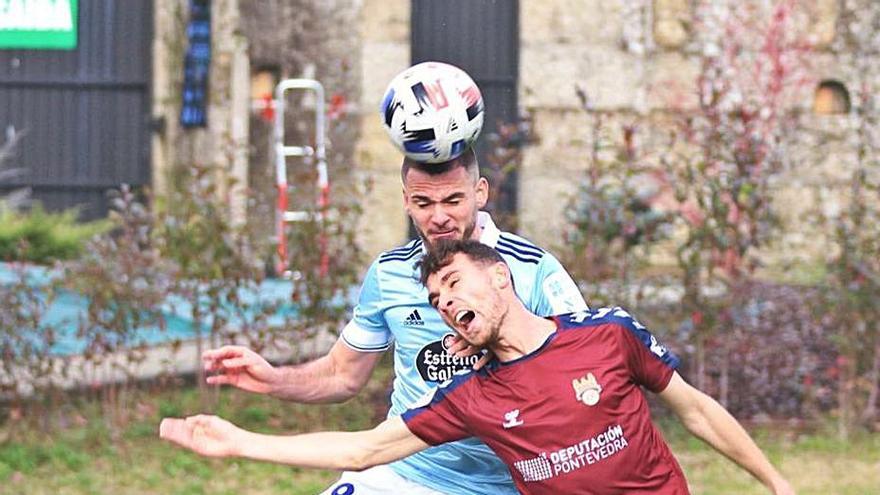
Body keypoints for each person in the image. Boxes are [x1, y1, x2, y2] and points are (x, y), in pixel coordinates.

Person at [161, 239, 795, 495]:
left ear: (501, 277)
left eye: (456, 284)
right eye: (437, 300)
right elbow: (364, 448)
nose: (447, 302)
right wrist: (241, 442)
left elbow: (696, 409)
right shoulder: (473, 397)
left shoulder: (607, 333)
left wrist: (778, 485)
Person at [199, 148, 589, 494]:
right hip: (400, 472)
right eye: (423, 203)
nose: (439, 217)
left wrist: (507, 351)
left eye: (453, 200)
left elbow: (590, 377)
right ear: (406, 201)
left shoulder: (534, 269)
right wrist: (272, 379)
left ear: (480, 193)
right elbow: (341, 375)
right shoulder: (389, 274)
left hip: (504, 485)